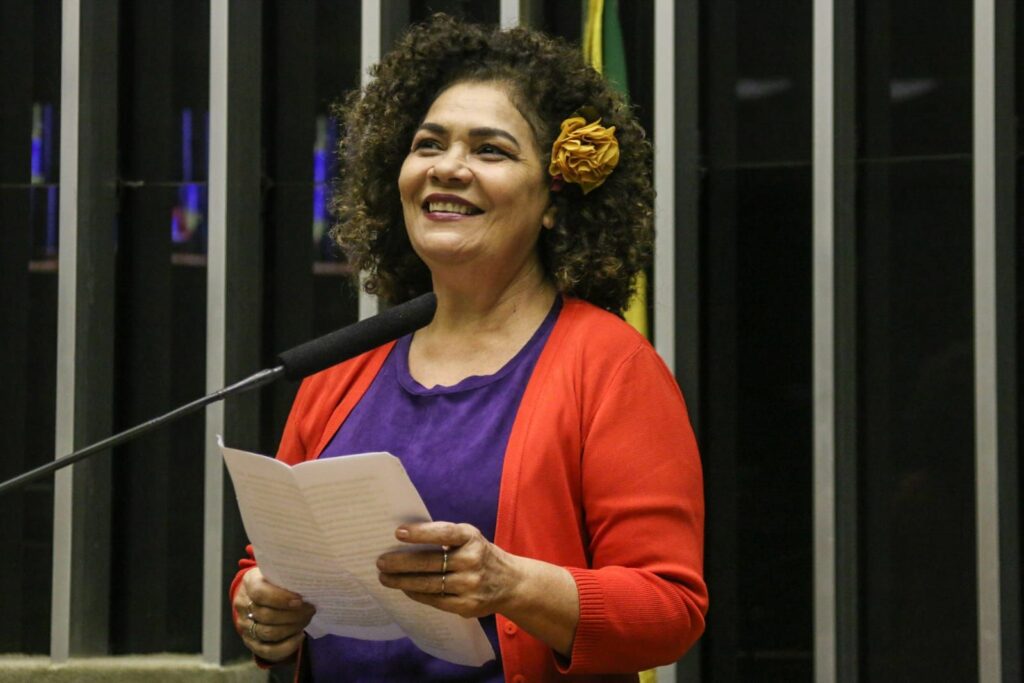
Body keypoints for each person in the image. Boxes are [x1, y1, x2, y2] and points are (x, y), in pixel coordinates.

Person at [230, 14, 707, 682]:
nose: (448, 168)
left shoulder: (611, 366)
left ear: (553, 201)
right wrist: (261, 609)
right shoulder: (341, 368)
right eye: (429, 144)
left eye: (491, 151)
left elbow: (669, 610)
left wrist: (511, 583)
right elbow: (269, 567)